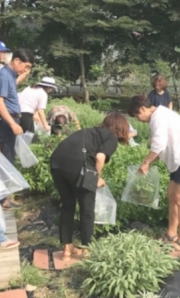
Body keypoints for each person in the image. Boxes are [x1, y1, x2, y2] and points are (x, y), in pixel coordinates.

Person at [50, 111, 130, 260]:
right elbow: (100, 157)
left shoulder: (89, 132)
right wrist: (96, 177)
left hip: (56, 163)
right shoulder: (111, 137)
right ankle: (87, 249)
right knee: (87, 208)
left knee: (67, 204)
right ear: (121, 128)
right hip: (77, 166)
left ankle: (67, 249)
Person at [128, 96, 180, 250]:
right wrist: (148, 161)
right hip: (179, 161)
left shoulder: (159, 117)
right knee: (172, 195)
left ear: (143, 109)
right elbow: (161, 145)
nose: (138, 120)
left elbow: (158, 144)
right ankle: (171, 233)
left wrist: (146, 162)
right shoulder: (160, 115)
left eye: (137, 116)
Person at [0, 48, 34, 162]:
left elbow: (14, 84)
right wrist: (12, 124)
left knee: (10, 156)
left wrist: (25, 73)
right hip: (5, 122)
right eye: (26, 66)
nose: (26, 70)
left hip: (11, 120)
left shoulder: (10, 75)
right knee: (6, 159)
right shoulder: (3, 76)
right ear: (16, 60)